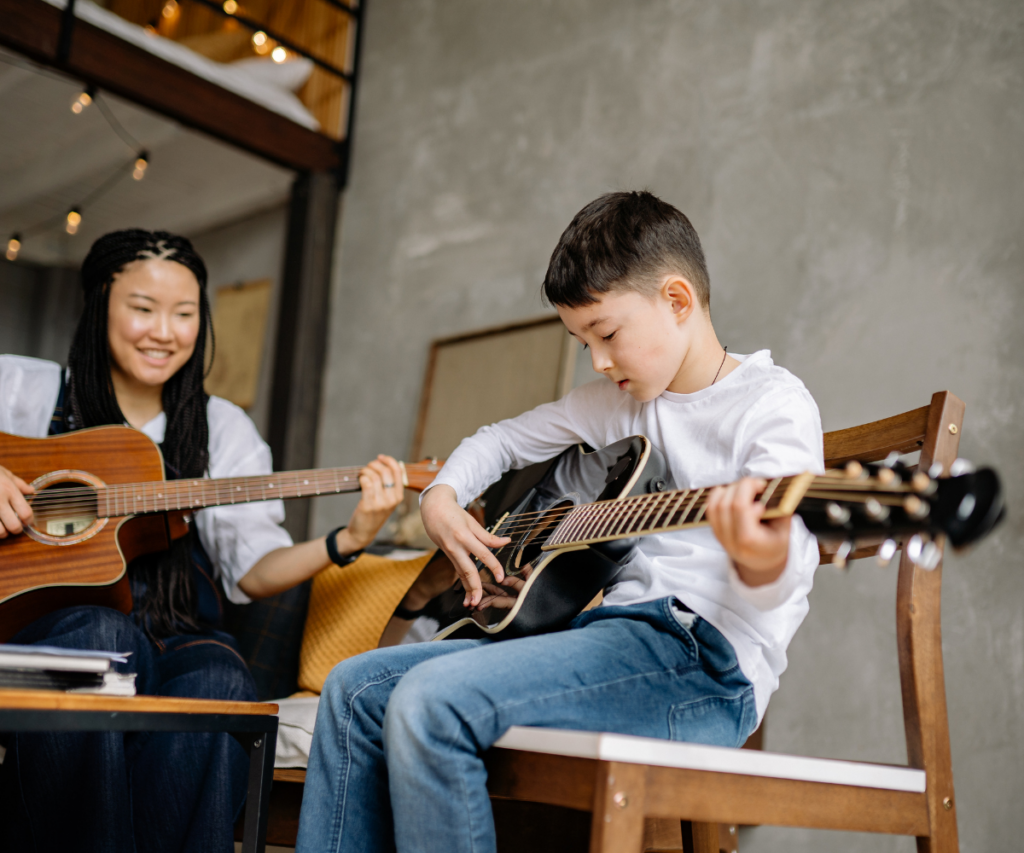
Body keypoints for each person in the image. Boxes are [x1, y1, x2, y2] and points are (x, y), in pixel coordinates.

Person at [294, 191, 824, 853]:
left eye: (606, 334)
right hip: (608, 637)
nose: (597, 361)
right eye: (582, 342)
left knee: (430, 701)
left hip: (704, 666)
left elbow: (787, 569)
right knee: (353, 687)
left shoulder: (771, 404)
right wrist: (442, 499)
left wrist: (758, 553)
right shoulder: (618, 403)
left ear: (678, 301)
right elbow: (501, 439)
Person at [0, 229, 412, 853]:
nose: (164, 331)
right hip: (40, 631)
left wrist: (348, 538)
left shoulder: (221, 427)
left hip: (173, 630)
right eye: (142, 308)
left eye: (185, 314)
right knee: (101, 642)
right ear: (99, 306)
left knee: (221, 675)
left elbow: (254, 572)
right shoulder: (21, 389)